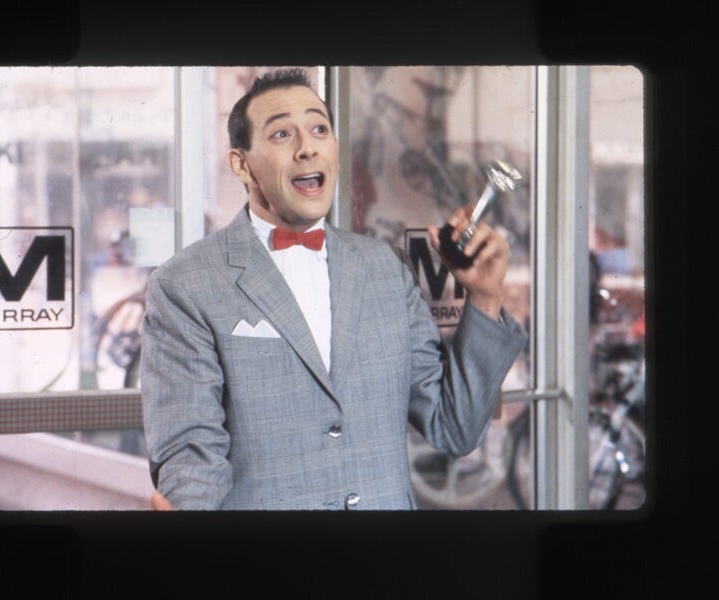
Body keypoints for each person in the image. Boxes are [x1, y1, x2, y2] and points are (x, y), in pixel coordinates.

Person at [141, 68, 527, 510]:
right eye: (282, 133)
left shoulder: (385, 268)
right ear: (241, 164)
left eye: (319, 129)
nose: (307, 147)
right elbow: (192, 456)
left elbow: (454, 427)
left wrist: (485, 298)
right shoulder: (183, 285)